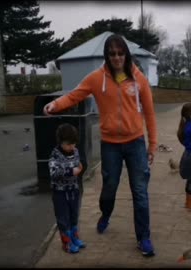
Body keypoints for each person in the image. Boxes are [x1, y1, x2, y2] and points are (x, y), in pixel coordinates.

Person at [43, 34, 157, 257]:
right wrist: (55, 104)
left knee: (140, 193)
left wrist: (152, 144)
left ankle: (143, 237)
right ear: (107, 55)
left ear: (126, 54)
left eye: (120, 53)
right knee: (109, 190)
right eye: (112, 54)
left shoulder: (138, 79)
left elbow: (150, 113)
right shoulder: (97, 78)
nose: (116, 58)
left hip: (135, 143)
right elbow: (75, 95)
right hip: (110, 145)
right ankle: (106, 214)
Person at [49, 123, 86, 254]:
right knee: (63, 218)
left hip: (73, 190)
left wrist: (81, 168)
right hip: (60, 193)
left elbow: (79, 164)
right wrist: (71, 171)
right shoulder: (55, 155)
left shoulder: (75, 151)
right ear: (61, 142)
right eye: (68, 144)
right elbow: (53, 173)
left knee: (74, 215)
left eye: (74, 144)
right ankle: (66, 243)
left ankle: (74, 237)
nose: (72, 147)